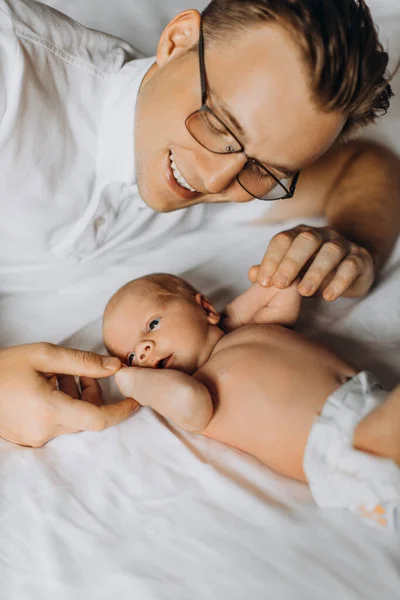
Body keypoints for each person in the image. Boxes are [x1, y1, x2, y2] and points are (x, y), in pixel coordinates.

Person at [1, 0, 400, 447]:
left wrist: (354, 245)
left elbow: (365, 167)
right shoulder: (10, 73)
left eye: (263, 171)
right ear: (177, 41)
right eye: (220, 127)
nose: (213, 180)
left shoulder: (230, 171)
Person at [103, 273, 400, 532]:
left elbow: (282, 290)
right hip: (348, 448)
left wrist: (227, 319)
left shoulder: (244, 334)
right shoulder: (196, 391)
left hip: (371, 405)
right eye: (131, 357)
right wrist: (131, 381)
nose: (143, 350)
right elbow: (185, 399)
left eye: (153, 324)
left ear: (205, 307)